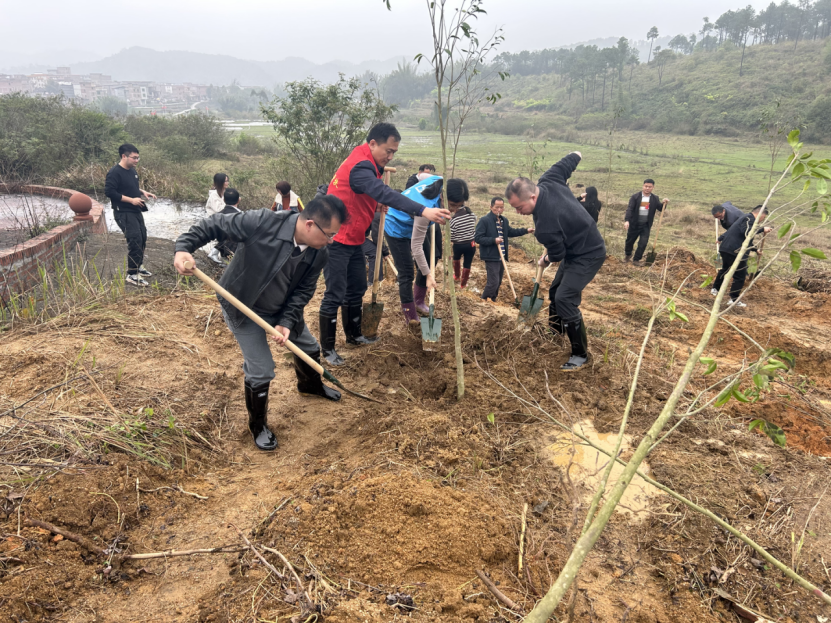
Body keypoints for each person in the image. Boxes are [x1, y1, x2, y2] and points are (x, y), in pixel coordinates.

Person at [173, 196, 348, 451]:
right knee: (262, 369)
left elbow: (303, 291)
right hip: (243, 305)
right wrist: (183, 247)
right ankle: (257, 425)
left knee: (309, 347)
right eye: (329, 234)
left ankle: (310, 386)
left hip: (282, 308)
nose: (331, 240)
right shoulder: (263, 222)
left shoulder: (319, 253)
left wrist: (287, 321)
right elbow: (214, 224)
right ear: (310, 224)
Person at [320, 123, 451, 366]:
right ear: (372, 143)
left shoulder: (369, 163)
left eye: (394, 153)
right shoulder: (360, 166)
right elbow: (384, 192)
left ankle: (354, 335)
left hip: (355, 238)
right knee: (335, 293)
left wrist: (373, 205)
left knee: (357, 287)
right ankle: (326, 349)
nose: (390, 156)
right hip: (337, 239)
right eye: (388, 151)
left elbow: (361, 194)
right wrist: (423, 210)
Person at [505, 152, 606, 371]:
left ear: (532, 197)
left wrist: (546, 259)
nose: (517, 212)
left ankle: (580, 354)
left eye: (519, 208)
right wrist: (577, 154)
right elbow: (566, 163)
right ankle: (556, 332)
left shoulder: (545, 225)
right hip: (576, 248)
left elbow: (557, 254)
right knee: (555, 291)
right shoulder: (548, 179)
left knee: (565, 298)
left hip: (589, 253)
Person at [411, 179, 470, 313]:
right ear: (442, 195)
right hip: (417, 219)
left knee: (435, 255)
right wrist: (428, 275)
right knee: (423, 260)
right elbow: (416, 247)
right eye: (453, 205)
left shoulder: (439, 181)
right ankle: (416, 302)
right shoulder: (425, 205)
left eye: (458, 206)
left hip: (432, 219)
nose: (454, 210)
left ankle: (420, 297)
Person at [105, 143, 157, 287]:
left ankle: (138, 266)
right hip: (123, 212)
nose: (136, 161)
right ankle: (132, 274)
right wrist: (131, 200)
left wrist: (142, 192)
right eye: (134, 158)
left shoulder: (132, 171)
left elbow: (129, 186)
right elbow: (110, 192)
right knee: (134, 240)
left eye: (138, 158)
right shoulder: (114, 172)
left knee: (142, 237)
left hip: (135, 210)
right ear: (124, 156)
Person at [711, 205, 772, 308]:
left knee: (724, 269)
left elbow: (743, 238)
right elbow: (747, 233)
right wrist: (762, 229)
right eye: (764, 217)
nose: (763, 220)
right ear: (761, 214)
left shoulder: (744, 218)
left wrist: (755, 249)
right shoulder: (750, 219)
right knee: (740, 276)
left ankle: (715, 289)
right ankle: (733, 299)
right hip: (735, 251)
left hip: (725, 248)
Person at [474, 197, 534, 302]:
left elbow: (510, 232)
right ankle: (483, 300)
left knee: (499, 281)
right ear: (491, 207)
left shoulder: (504, 221)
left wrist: (526, 230)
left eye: (501, 207)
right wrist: (493, 240)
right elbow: (478, 238)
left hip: (501, 255)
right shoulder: (485, 220)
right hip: (491, 255)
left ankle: (492, 300)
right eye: (497, 207)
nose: (499, 210)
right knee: (493, 282)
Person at [623, 178, 667, 266]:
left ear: (653, 187)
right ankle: (628, 255)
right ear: (643, 186)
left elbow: (660, 208)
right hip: (634, 224)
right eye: (646, 186)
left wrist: (664, 203)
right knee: (629, 242)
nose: (647, 188)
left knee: (643, 243)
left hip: (646, 225)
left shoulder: (654, 198)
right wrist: (627, 220)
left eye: (649, 187)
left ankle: (636, 260)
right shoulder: (635, 197)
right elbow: (630, 209)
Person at [449, 183, 476, 288]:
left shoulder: (454, 220)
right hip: (471, 244)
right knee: (467, 263)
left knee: (456, 259)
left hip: (458, 245)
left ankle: (456, 275)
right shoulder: (472, 215)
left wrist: (452, 240)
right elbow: (473, 223)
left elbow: (451, 234)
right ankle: (463, 284)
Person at [363, 208, 390, 286]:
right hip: (352, 237)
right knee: (375, 252)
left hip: (350, 235)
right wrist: (385, 252)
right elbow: (377, 237)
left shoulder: (370, 210)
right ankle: (374, 282)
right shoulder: (377, 215)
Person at [214, 188, 242, 260]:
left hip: (223, 253)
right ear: (239, 200)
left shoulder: (217, 216)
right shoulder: (242, 216)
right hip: (238, 255)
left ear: (223, 200)